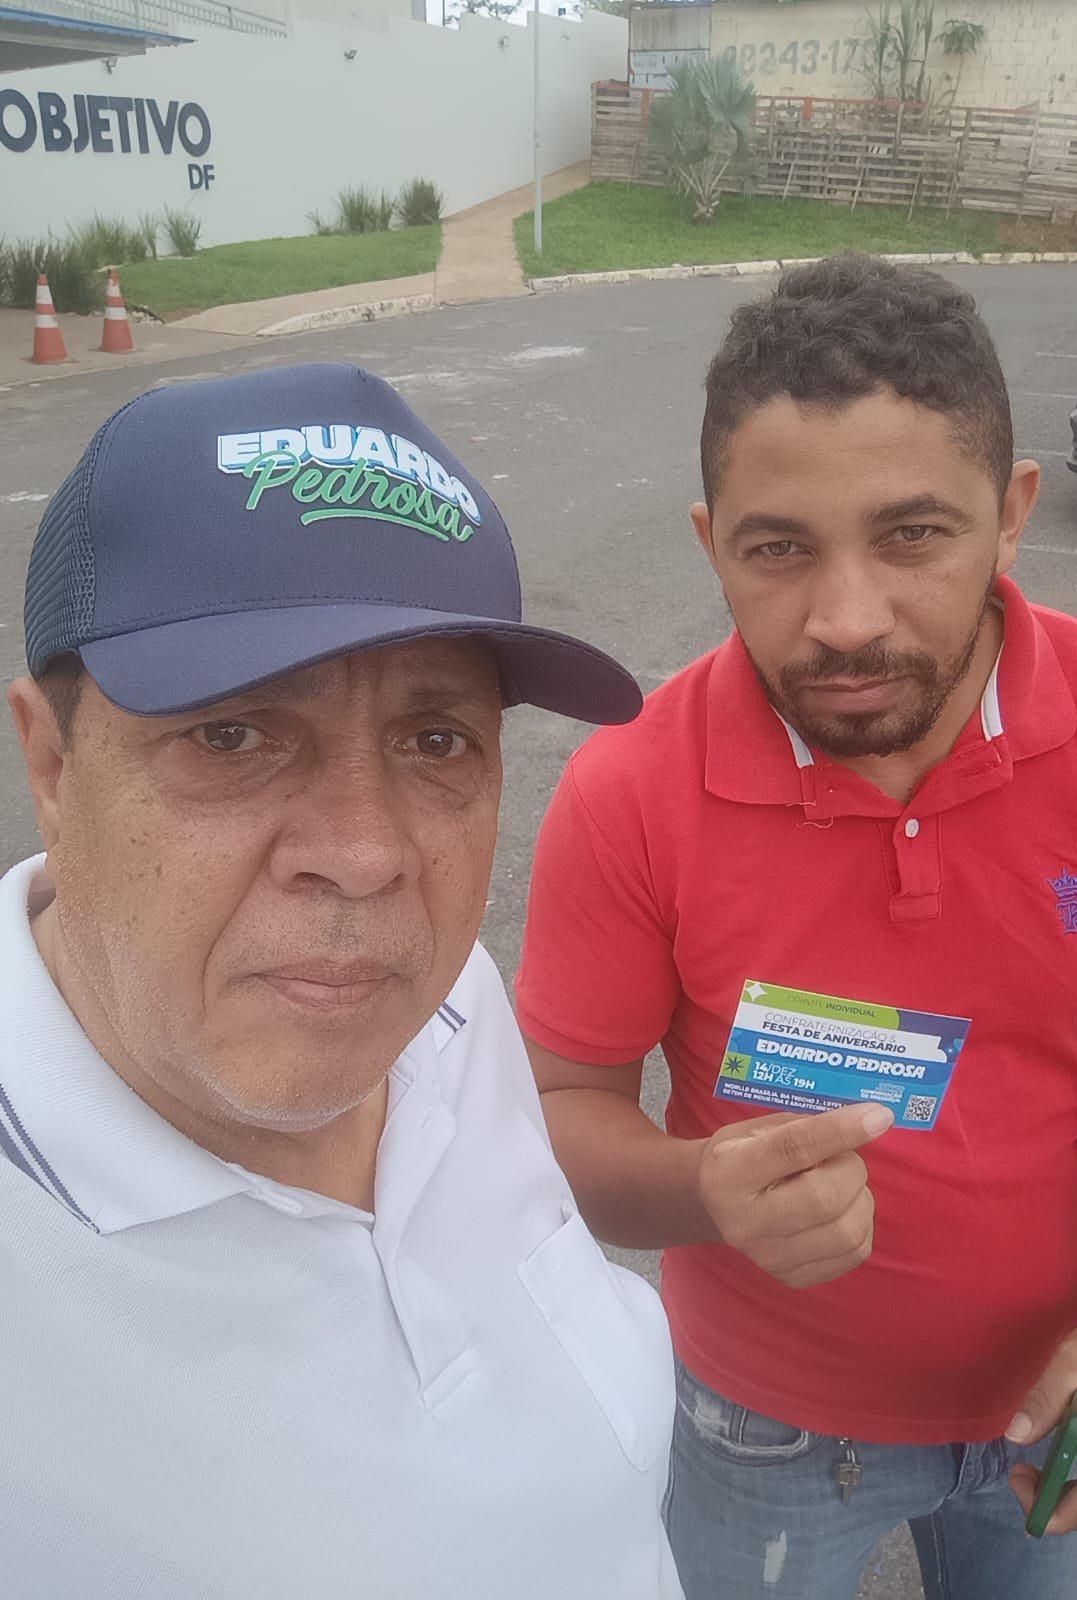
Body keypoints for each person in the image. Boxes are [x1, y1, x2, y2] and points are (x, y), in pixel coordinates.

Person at [515, 256, 1077, 1600]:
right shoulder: (631, 792)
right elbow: (560, 1110)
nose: (844, 622)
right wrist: (700, 1190)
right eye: (778, 549)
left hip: (1066, 1393)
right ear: (711, 541)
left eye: (913, 534)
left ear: (1012, 517)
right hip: (757, 1430)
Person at [0, 362, 684, 1600]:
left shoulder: (449, 1010)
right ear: (52, 763)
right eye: (231, 734)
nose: (367, 856)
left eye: (436, 740)